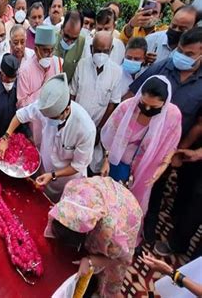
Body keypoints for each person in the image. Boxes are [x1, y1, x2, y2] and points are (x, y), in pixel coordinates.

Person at [125, 28, 202, 244]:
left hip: (170, 147)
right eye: (180, 50)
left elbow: (198, 124)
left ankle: (144, 228)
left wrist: (177, 152)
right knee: (130, 184)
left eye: (189, 54)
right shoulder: (162, 67)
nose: (181, 56)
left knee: (154, 189)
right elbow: (133, 96)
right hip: (141, 142)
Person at [0, 73, 96, 203]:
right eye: (47, 117)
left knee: (60, 207)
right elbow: (21, 116)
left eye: (53, 118)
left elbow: (77, 166)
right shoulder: (44, 107)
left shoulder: (85, 129)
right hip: (45, 168)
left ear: (66, 110)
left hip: (67, 180)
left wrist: (54, 175)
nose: (49, 120)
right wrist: (6, 137)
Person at [45, 176, 143, 298]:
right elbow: (68, 212)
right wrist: (60, 213)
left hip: (127, 214)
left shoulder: (110, 235)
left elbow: (118, 259)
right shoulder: (71, 188)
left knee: (111, 277)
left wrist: (91, 260)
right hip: (105, 192)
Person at [101, 76, 181, 217]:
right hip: (118, 165)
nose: (147, 109)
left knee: (131, 209)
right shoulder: (126, 107)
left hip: (146, 170)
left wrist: (158, 172)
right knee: (109, 201)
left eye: (154, 107)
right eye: (143, 103)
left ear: (165, 103)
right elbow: (109, 137)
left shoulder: (172, 116)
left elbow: (170, 147)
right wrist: (106, 160)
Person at [71, 31, 122, 173]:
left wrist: (100, 130)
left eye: (105, 51)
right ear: (91, 49)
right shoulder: (81, 65)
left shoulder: (116, 72)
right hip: (76, 125)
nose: (101, 54)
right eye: (98, 50)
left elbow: (112, 104)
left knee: (91, 167)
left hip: (98, 127)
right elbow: (73, 95)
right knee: (74, 163)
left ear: (111, 50)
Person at [17, 25, 62, 146]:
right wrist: (43, 94)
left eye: (52, 50)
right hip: (35, 126)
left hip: (53, 123)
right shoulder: (25, 70)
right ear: (36, 50)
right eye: (46, 50)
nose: (49, 54)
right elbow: (21, 104)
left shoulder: (57, 63)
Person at [0, 54, 30, 154]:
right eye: (7, 79)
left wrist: (29, 137)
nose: (9, 82)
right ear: (0, 73)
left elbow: (24, 114)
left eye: (12, 79)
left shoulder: (20, 86)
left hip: (17, 141)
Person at [54, 11, 86, 81]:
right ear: (62, 28)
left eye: (74, 39)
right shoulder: (51, 39)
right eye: (66, 36)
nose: (69, 42)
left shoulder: (83, 44)